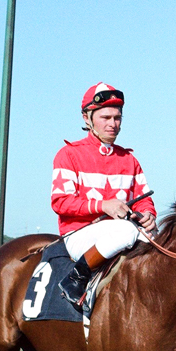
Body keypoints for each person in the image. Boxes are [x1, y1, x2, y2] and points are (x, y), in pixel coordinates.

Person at [51, 83, 157, 309]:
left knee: (161, 240)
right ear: (86, 119)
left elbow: (144, 199)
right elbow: (60, 202)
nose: (113, 124)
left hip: (120, 233)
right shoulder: (68, 155)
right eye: (105, 117)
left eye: (117, 117)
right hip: (79, 234)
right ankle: (76, 279)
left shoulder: (130, 160)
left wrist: (148, 214)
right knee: (127, 231)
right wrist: (103, 206)